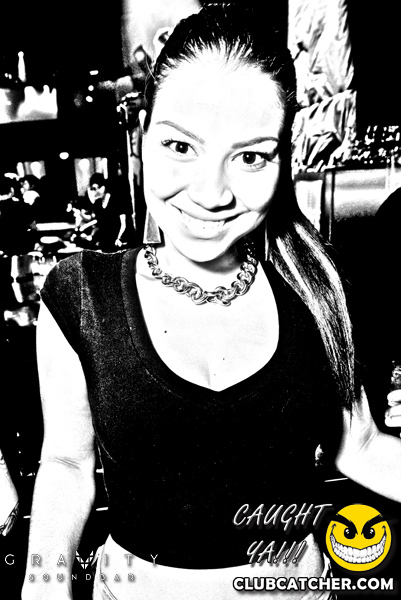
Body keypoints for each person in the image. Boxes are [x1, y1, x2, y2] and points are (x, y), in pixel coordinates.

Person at [21, 5, 401, 600]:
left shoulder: (318, 289)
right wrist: (43, 587)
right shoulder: (81, 296)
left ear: (283, 158)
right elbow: (67, 466)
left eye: (250, 156)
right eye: (180, 146)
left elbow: (361, 446)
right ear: (142, 134)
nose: (211, 193)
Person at [70, 173, 132, 252]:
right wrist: (85, 227)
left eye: (98, 188)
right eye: (93, 189)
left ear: (104, 187)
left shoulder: (116, 200)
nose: (96, 191)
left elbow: (124, 224)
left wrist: (119, 238)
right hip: (105, 242)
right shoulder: (98, 203)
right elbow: (98, 220)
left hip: (119, 242)